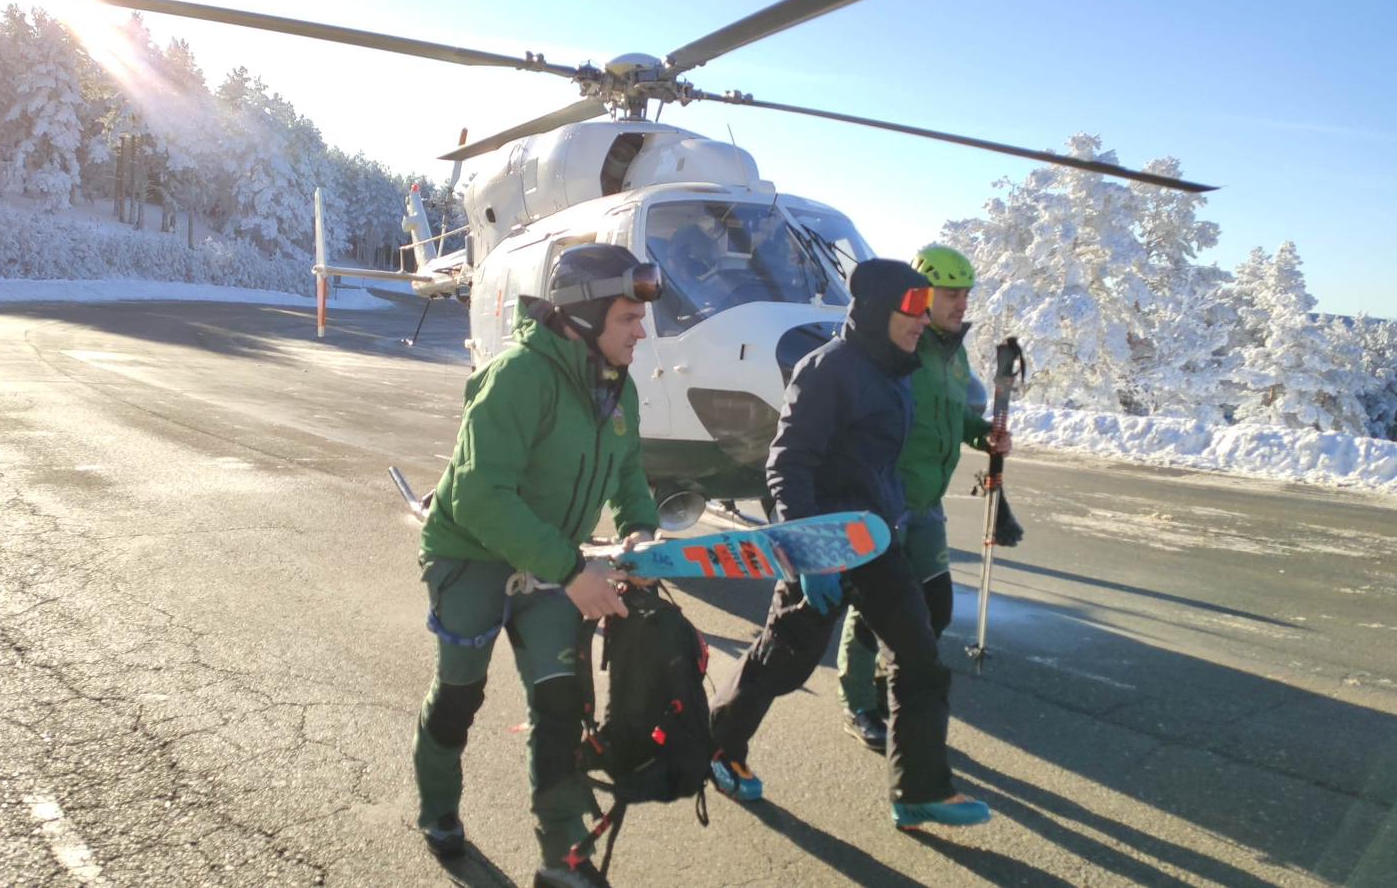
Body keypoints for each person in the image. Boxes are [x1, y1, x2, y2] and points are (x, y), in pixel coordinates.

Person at [707, 257, 992, 830]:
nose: (921, 321)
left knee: (919, 657)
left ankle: (919, 790)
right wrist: (809, 553)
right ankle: (716, 746)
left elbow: (881, 460)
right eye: (911, 309)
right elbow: (788, 465)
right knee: (783, 662)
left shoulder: (896, 372)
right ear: (877, 311)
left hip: (878, 540)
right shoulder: (828, 369)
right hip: (826, 540)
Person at [411, 243, 664, 888]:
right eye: (628, 318)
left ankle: (563, 859)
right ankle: (439, 808)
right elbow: (477, 494)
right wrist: (573, 569)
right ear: (582, 318)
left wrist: (639, 529)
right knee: (460, 697)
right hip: (470, 551)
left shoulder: (617, 387)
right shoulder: (519, 375)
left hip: (553, 560)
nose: (641, 330)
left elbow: (628, 470)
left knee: (560, 707)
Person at [835, 245, 1011, 751]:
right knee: (872, 609)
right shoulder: (900, 346)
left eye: (965, 293)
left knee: (934, 609)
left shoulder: (953, 356)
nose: (961, 303)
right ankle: (858, 701)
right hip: (886, 501)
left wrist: (984, 434)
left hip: (927, 504)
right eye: (951, 293)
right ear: (924, 293)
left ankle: (895, 684)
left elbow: (953, 415)